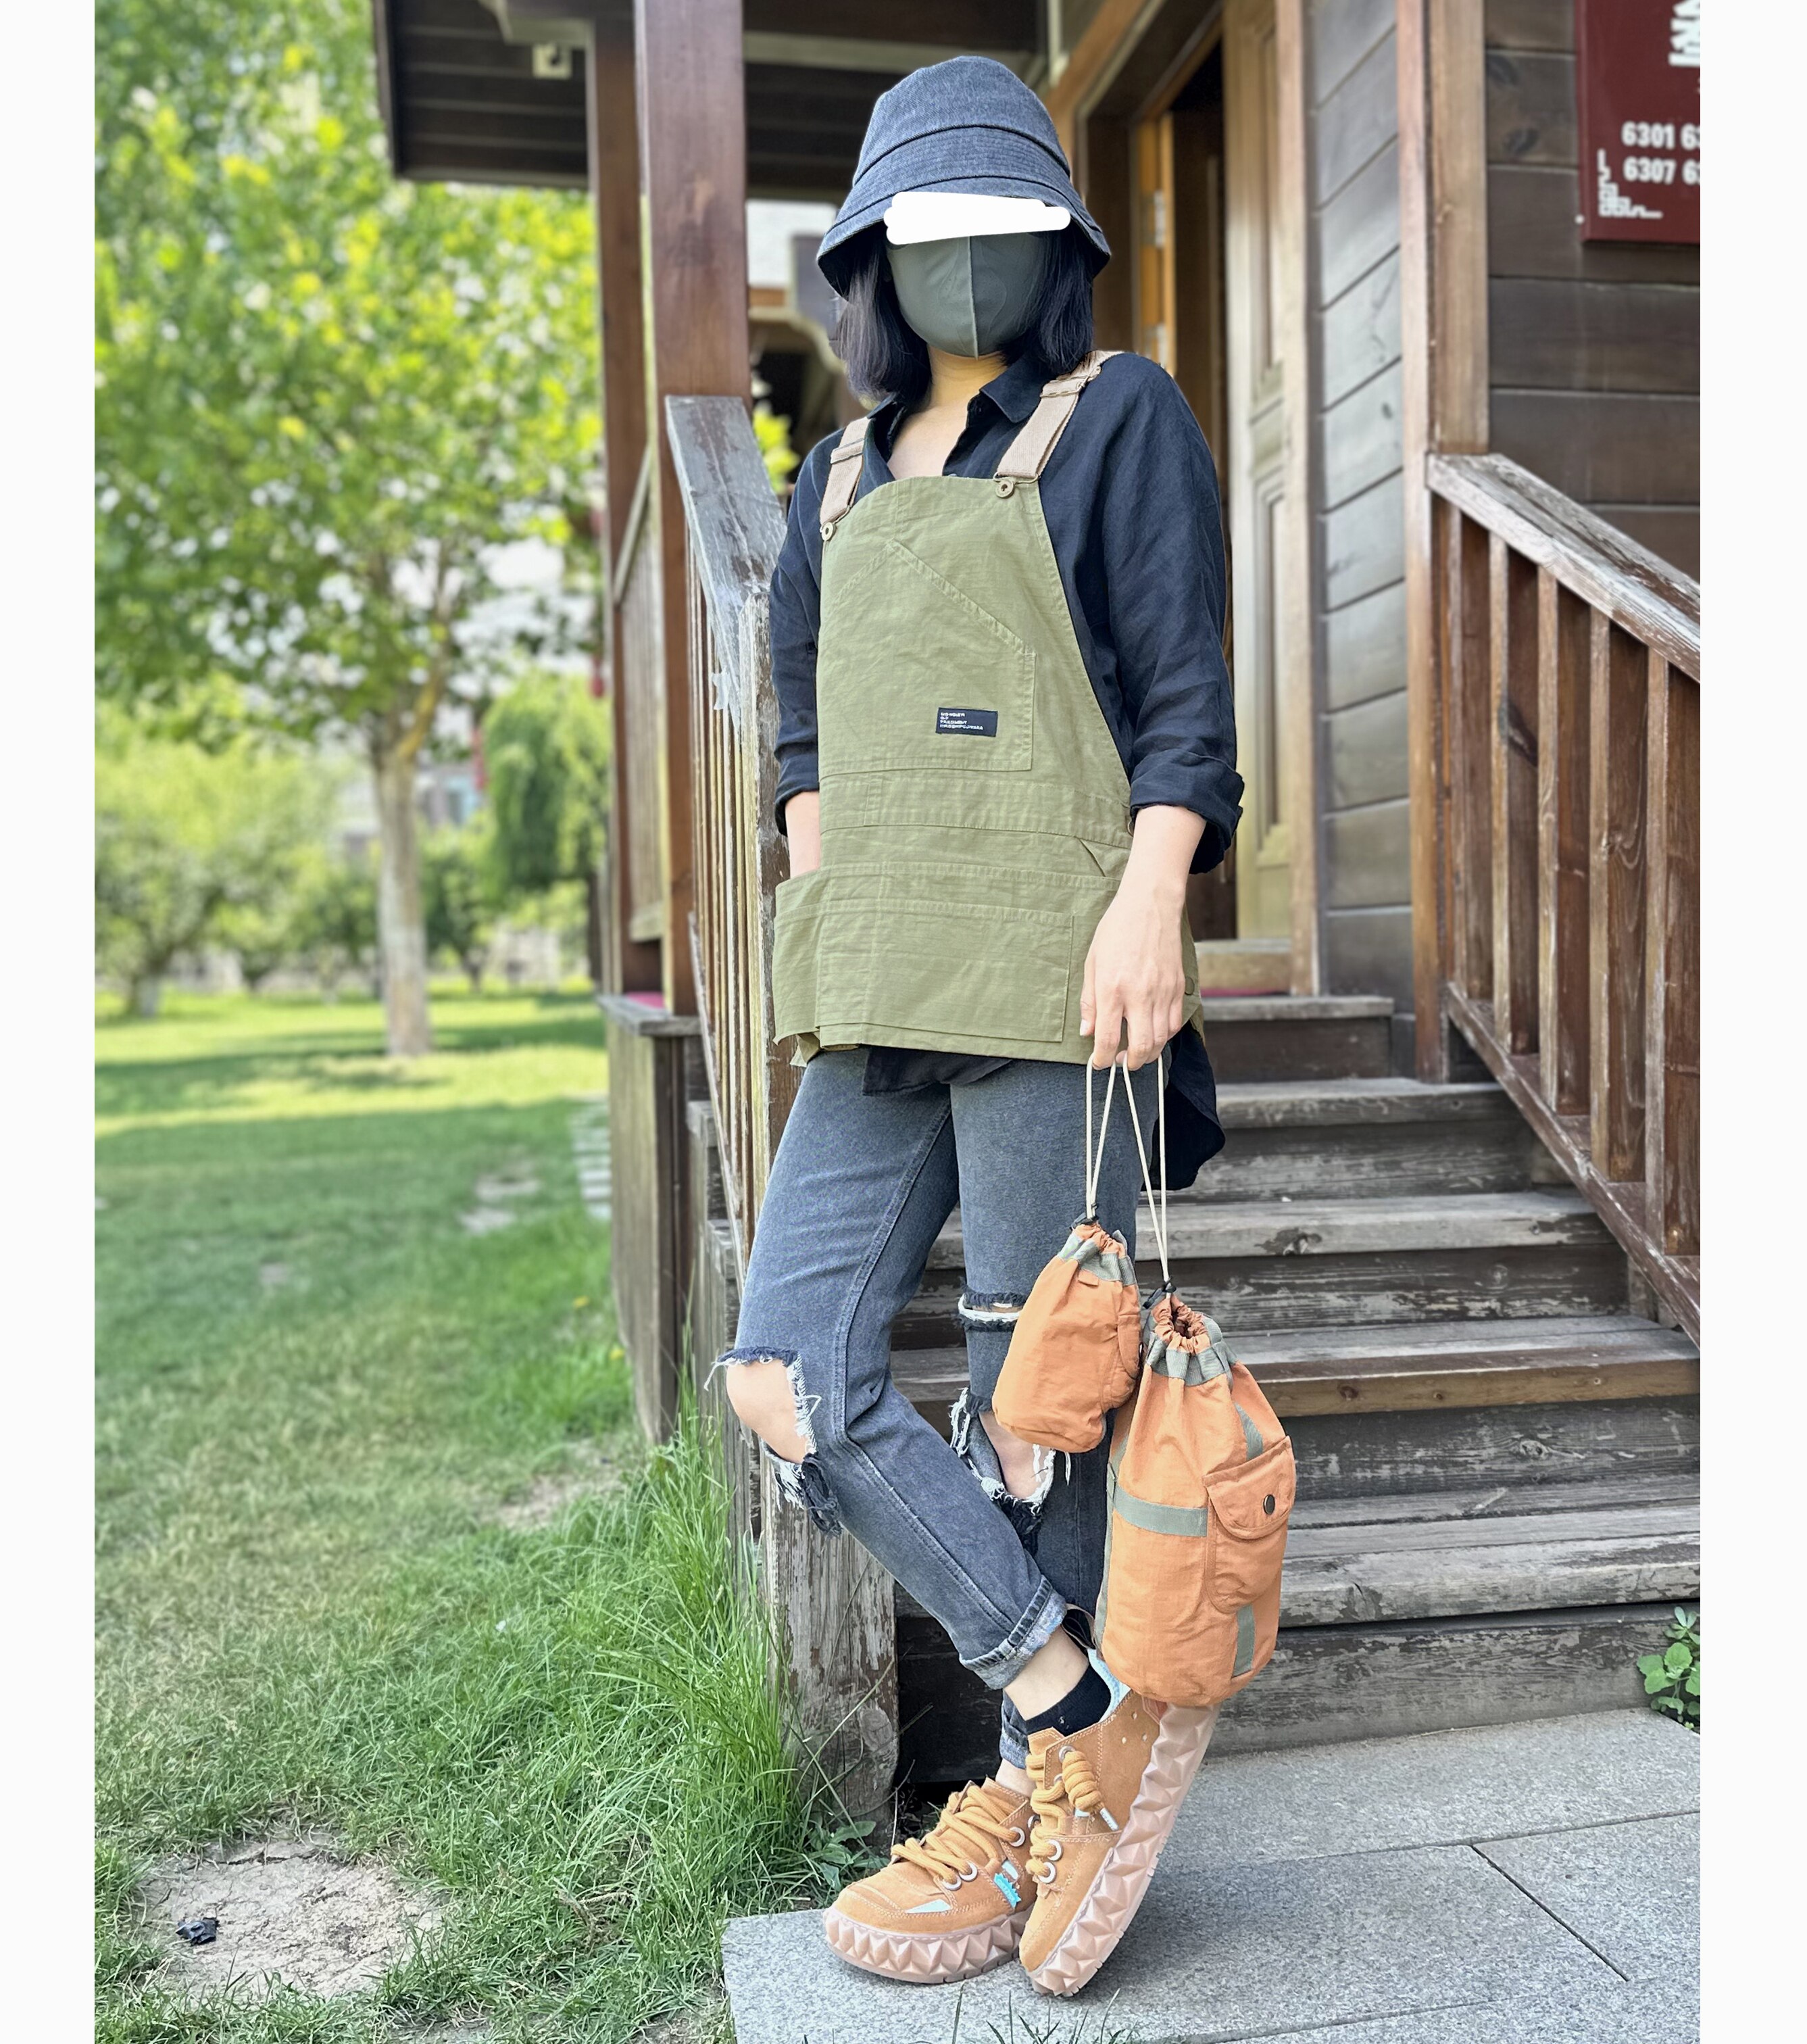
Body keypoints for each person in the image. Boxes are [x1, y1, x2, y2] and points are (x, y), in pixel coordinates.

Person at [714, 55, 1242, 1997]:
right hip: (884, 987)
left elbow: (1184, 695)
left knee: (1041, 1411)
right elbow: (800, 718)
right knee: (787, 1373)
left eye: (993, 234)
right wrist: (824, 865)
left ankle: (1043, 1809)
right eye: (924, 238)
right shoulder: (836, 475)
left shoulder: (1121, 419)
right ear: (872, 261)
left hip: (1057, 975)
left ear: (1053, 250)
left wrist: (1151, 902)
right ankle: (1072, 1695)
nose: (960, 269)